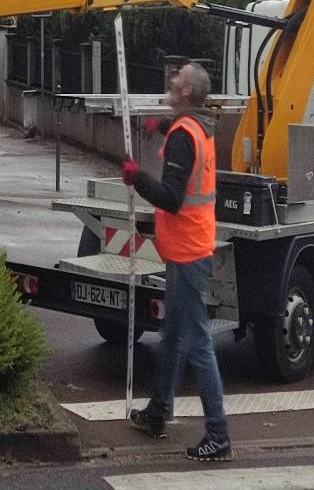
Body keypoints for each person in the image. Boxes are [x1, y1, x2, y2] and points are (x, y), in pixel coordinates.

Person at [121, 61, 232, 463]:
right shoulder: (197, 126)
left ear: (186, 92)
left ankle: (218, 433)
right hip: (191, 246)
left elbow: (170, 196)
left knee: (198, 342)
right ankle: (158, 412)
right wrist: (159, 127)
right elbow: (181, 138)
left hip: (187, 251)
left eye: (176, 79)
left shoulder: (187, 135)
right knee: (174, 336)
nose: (170, 82)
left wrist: (137, 178)